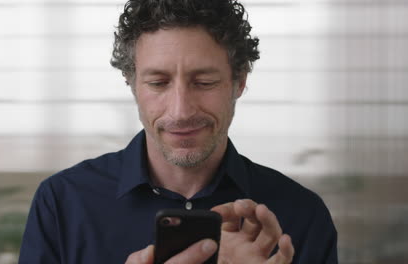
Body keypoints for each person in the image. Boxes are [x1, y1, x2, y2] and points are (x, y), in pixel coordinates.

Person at [19, 0, 338, 263]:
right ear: (131, 84)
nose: (181, 111)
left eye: (204, 82)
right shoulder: (63, 203)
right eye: (158, 83)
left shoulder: (302, 216)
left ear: (239, 81)